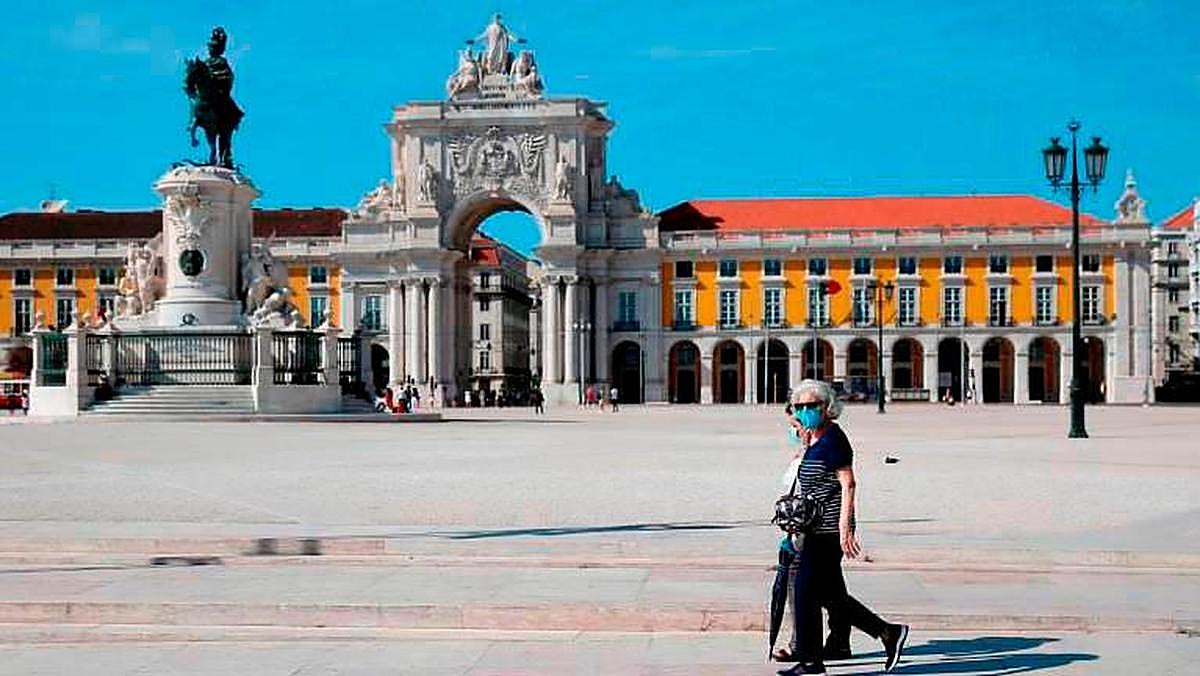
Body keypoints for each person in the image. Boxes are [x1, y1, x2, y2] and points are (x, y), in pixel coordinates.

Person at [776, 380, 908, 675]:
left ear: (827, 407)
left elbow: (848, 484)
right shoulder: (816, 439)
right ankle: (887, 633)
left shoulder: (834, 439)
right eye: (800, 407)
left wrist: (845, 528)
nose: (805, 411)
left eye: (811, 406)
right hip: (812, 527)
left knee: (805, 591)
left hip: (827, 531)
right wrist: (803, 440)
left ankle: (811, 661)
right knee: (829, 595)